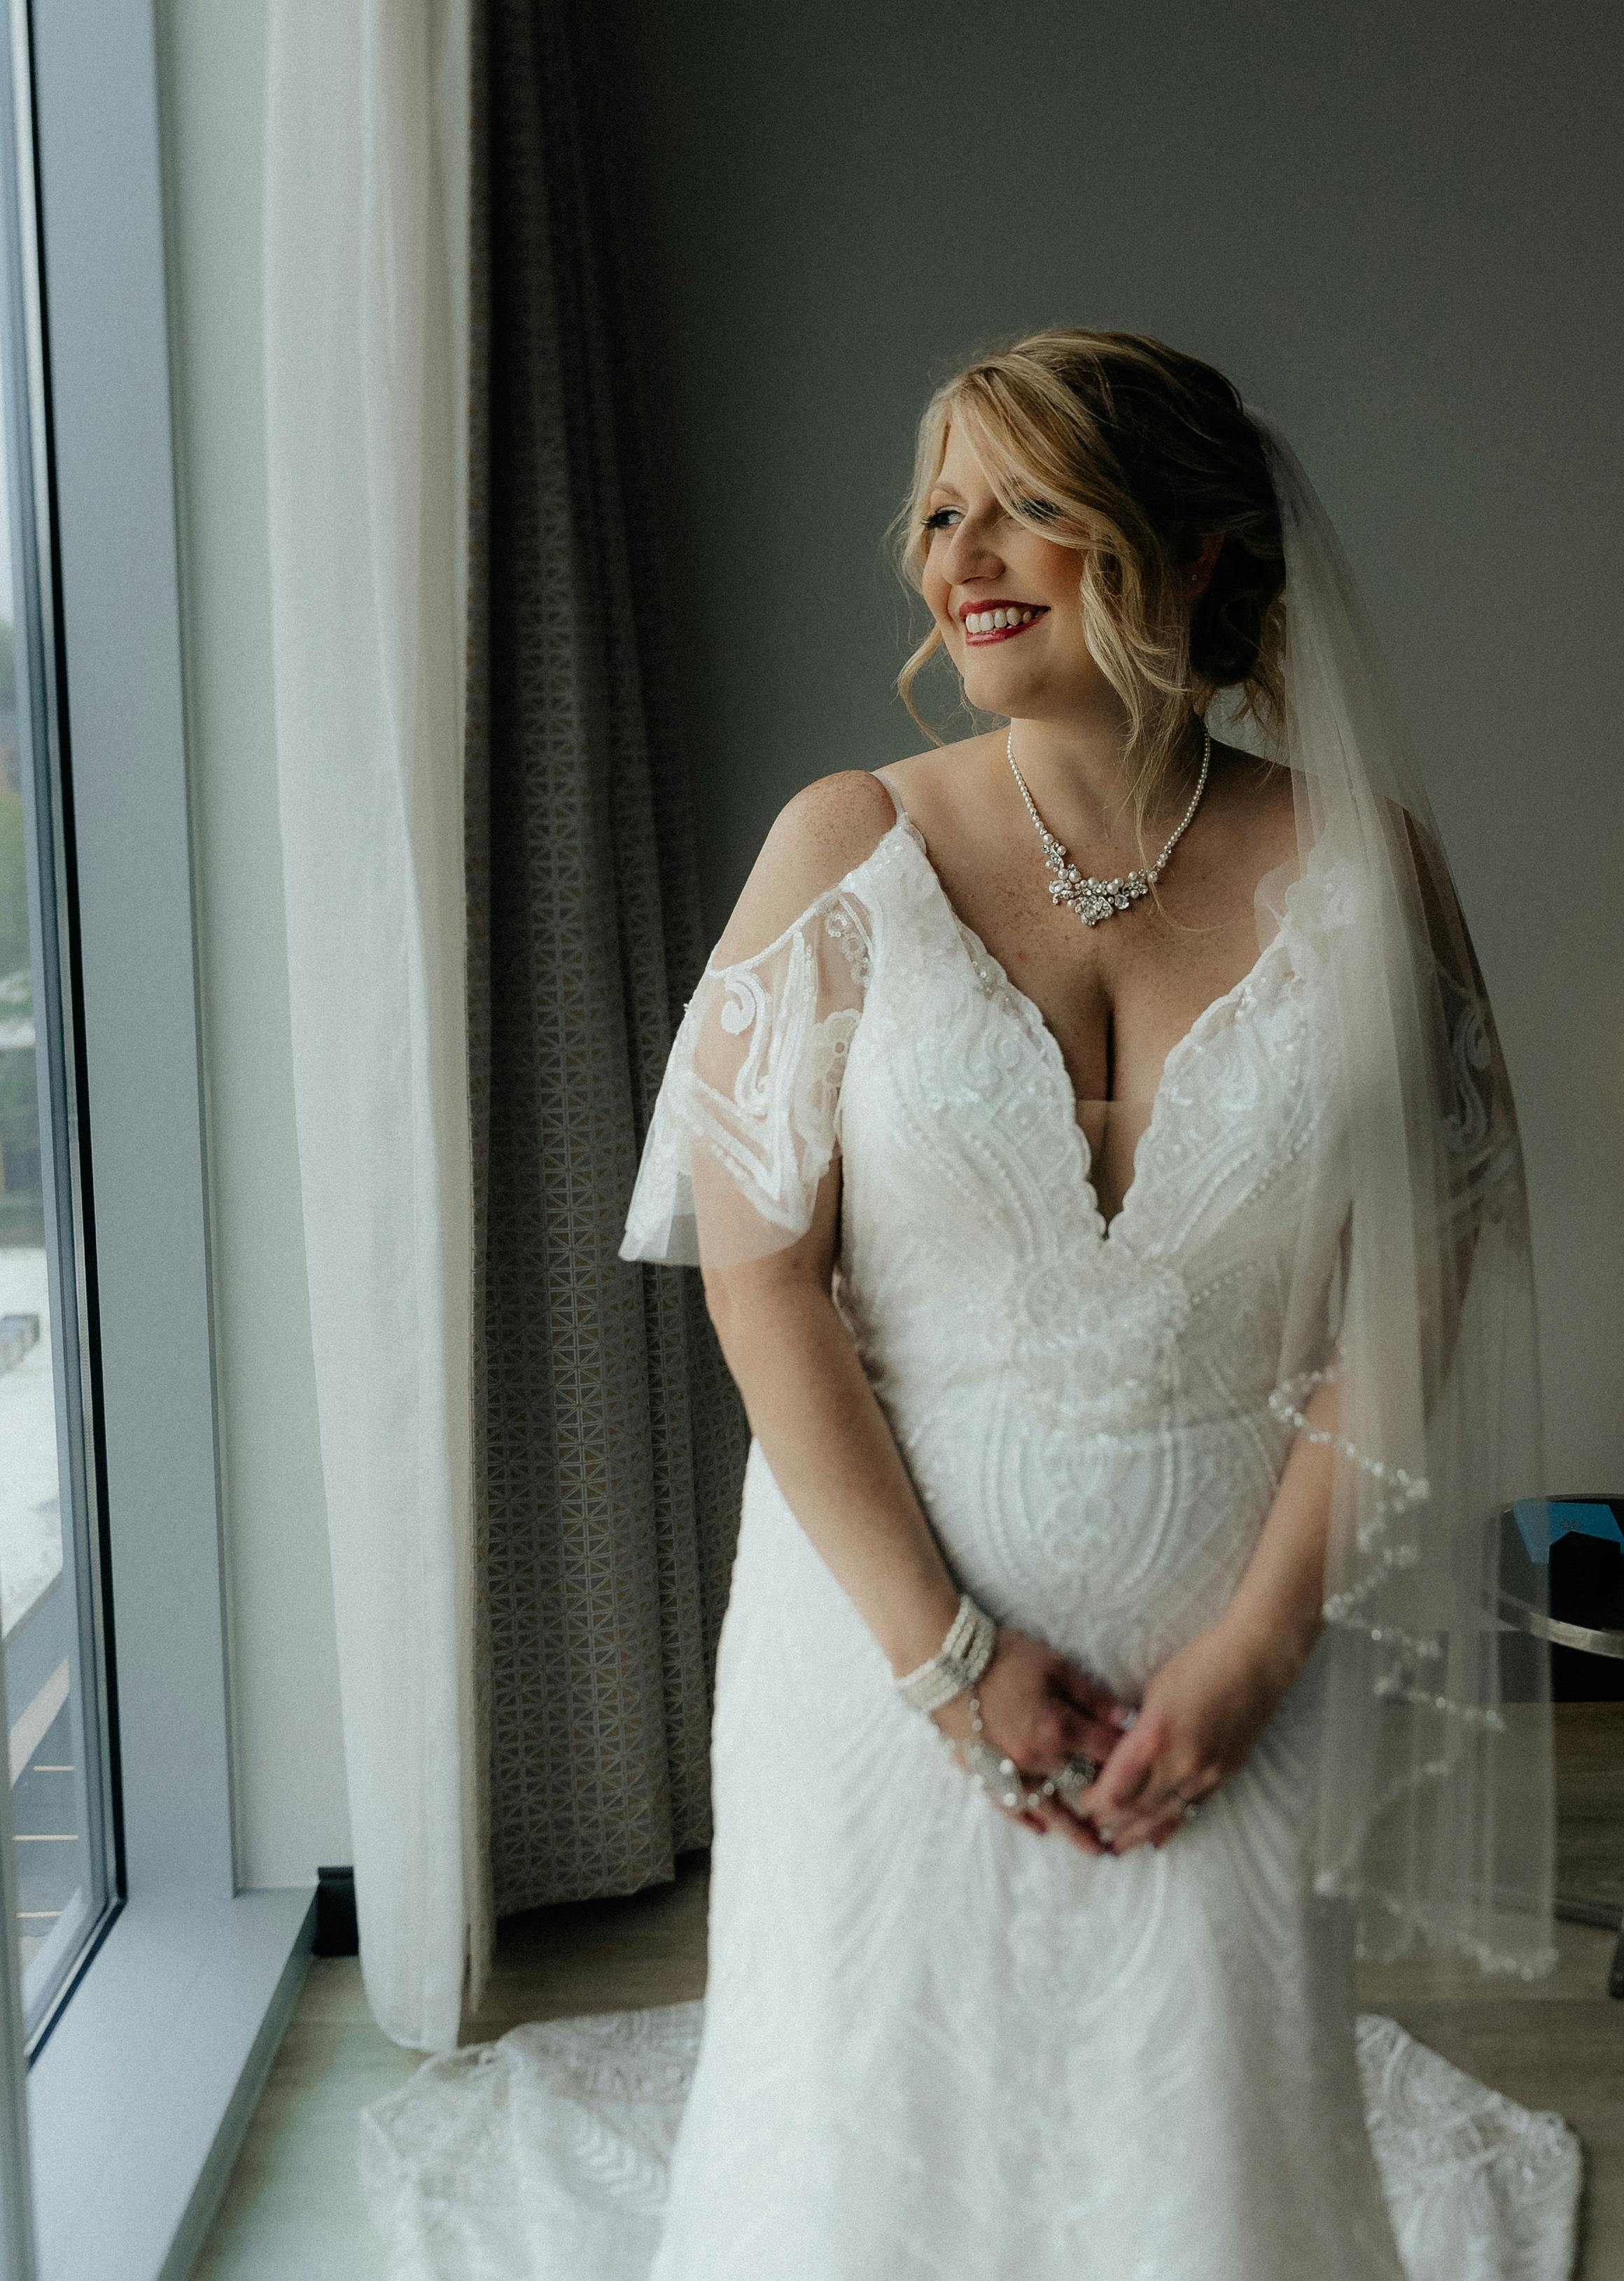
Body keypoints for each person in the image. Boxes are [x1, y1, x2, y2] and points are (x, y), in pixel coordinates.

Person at [365, 332, 1582, 2280]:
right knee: (865, 2124)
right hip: (873, 1643)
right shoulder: (848, 847)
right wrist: (944, 1658)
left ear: (1193, 551)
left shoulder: (1366, 871)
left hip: (1228, 1652)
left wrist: (1264, 1646)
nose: (962, 549)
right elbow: (761, 1275)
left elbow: (1416, 1275)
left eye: (1028, 497)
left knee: (1208, 2139)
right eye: (942, 506)